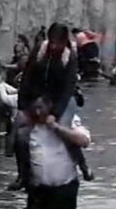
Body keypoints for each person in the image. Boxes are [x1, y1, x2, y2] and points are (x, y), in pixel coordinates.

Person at [13, 23, 93, 190]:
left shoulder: (69, 57)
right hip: (39, 96)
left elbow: (67, 88)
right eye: (52, 42)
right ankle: (23, 175)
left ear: (65, 42)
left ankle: (83, 167)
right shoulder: (40, 51)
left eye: (58, 43)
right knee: (20, 134)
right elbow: (28, 76)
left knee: (63, 130)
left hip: (62, 98)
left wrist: (55, 114)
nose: (54, 46)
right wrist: (24, 106)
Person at [20, 96, 91, 209]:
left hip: (65, 188)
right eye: (34, 109)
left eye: (40, 108)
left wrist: (56, 127)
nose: (37, 113)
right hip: (37, 190)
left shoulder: (67, 121)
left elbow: (83, 141)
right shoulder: (28, 127)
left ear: (50, 107)